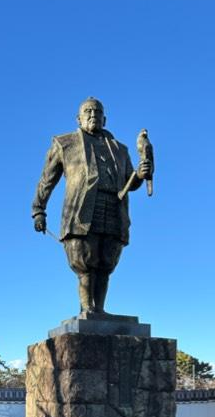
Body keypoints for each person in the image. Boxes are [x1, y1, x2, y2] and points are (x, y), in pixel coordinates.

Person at [32, 97, 152, 315]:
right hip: (82, 210)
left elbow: (129, 183)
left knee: (107, 261)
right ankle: (88, 309)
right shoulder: (65, 143)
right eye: (87, 112)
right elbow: (46, 180)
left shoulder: (120, 149)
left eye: (97, 112)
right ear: (78, 119)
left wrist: (140, 175)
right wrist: (38, 210)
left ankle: (100, 310)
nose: (93, 115)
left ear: (104, 119)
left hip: (114, 207)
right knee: (84, 260)